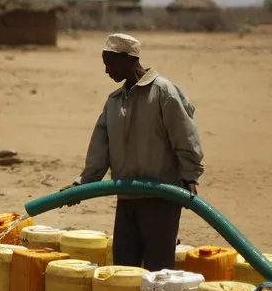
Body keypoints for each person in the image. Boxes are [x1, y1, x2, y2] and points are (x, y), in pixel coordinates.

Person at [66, 33, 203, 271]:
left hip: (160, 199)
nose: (107, 71)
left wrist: (189, 175)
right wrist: (84, 184)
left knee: (158, 271)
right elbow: (100, 149)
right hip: (126, 197)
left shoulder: (163, 92)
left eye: (109, 63)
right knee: (123, 270)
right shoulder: (114, 101)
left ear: (128, 59)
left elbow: (185, 135)